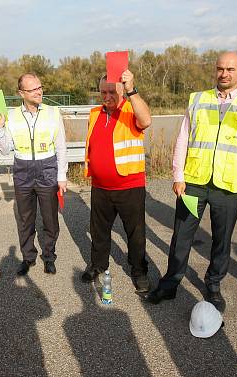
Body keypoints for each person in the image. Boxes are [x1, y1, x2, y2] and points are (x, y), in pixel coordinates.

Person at [146, 51, 237, 312]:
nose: (224, 74)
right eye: (220, 68)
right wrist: (178, 175)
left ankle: (213, 285)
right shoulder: (198, 99)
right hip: (194, 182)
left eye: (230, 69)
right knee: (182, 235)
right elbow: (183, 138)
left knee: (221, 239)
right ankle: (170, 283)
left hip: (228, 187)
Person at [80, 70, 153, 293]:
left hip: (129, 185)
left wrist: (132, 90)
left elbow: (146, 120)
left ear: (122, 90)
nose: (107, 96)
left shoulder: (132, 109)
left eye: (112, 91)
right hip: (100, 186)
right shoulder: (94, 113)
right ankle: (98, 265)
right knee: (99, 231)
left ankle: (139, 271)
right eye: (103, 91)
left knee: (135, 234)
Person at [0, 73, 67, 276]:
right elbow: (6, 149)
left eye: (40, 87)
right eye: (33, 89)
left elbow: (61, 147)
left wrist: (62, 176)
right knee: (26, 219)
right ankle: (28, 257)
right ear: (21, 93)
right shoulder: (11, 115)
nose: (39, 91)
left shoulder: (53, 112)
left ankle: (49, 256)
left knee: (50, 218)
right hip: (23, 171)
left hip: (48, 170)